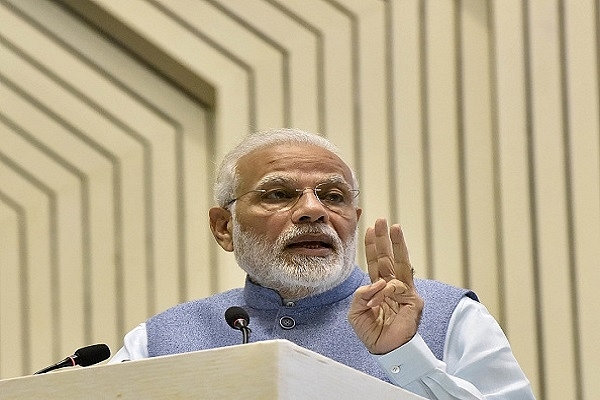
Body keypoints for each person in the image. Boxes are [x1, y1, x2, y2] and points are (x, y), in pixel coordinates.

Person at [110, 128, 534, 399]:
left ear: (353, 220)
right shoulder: (157, 341)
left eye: (333, 196)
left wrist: (404, 355)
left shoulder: (449, 316)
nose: (313, 211)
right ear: (224, 227)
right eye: (279, 194)